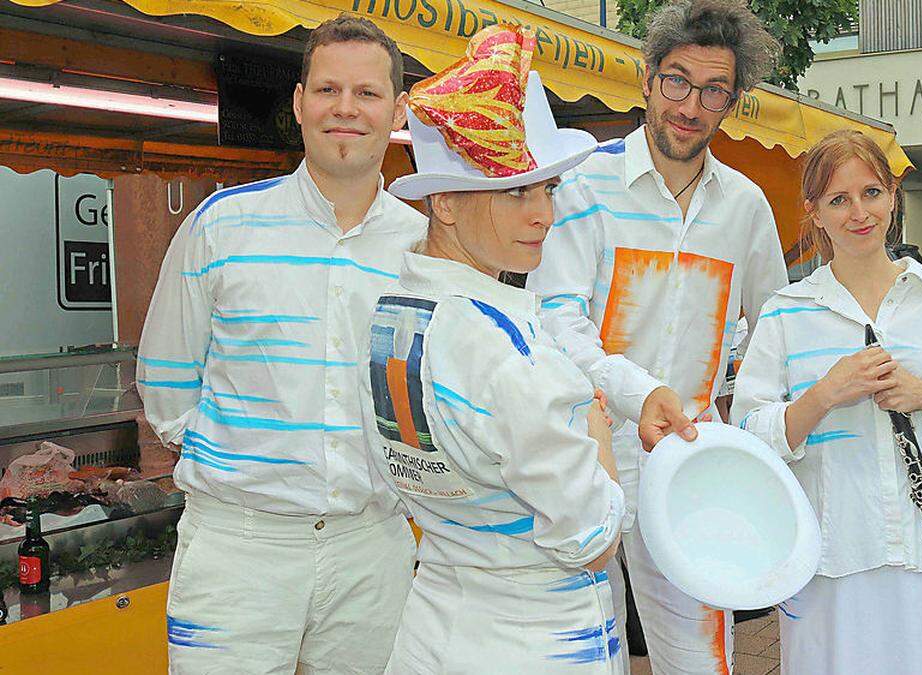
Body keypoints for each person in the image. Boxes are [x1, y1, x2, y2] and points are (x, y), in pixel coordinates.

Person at [136, 15, 425, 673]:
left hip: (372, 548)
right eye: (327, 90)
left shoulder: (423, 250)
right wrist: (250, 467)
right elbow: (166, 387)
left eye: (368, 93)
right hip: (239, 550)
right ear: (298, 103)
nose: (345, 108)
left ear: (397, 109)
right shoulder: (221, 228)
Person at [526, 0, 787, 671]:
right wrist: (638, 392)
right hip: (583, 458)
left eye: (713, 90)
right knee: (586, 654)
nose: (690, 105)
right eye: (677, 80)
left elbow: (777, 330)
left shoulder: (746, 207)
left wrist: (753, 427)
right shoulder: (581, 184)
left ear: (732, 101)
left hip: (694, 465)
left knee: (702, 659)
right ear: (646, 78)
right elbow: (554, 320)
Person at [369, 25, 625, 673]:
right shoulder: (516, 359)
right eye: (518, 191)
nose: (543, 214)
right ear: (446, 204)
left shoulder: (390, 315)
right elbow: (593, 539)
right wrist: (594, 420)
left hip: (434, 626)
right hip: (538, 640)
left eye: (547, 189)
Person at [731, 129, 922, 675]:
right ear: (814, 212)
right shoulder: (787, 311)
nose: (858, 212)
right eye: (838, 199)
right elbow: (749, 434)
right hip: (826, 554)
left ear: (892, 197)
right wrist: (822, 396)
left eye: (871, 193)